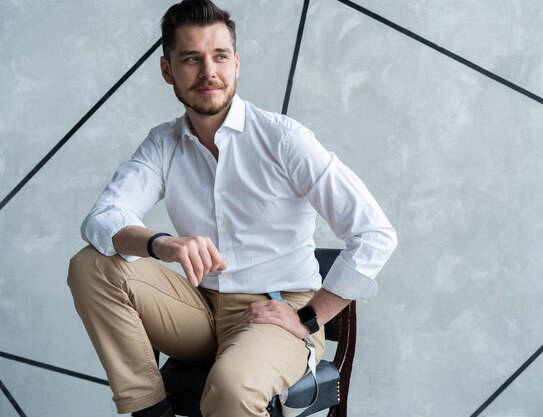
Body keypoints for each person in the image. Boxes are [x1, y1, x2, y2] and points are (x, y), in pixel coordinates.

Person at [67, 1, 397, 416]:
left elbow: (374, 234)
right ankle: (150, 411)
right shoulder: (162, 144)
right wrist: (162, 243)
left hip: (277, 310)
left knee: (231, 388)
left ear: (236, 63)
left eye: (219, 57)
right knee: (90, 265)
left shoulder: (283, 139)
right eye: (191, 59)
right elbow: (102, 218)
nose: (208, 72)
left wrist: (310, 318)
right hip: (198, 308)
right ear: (167, 71)